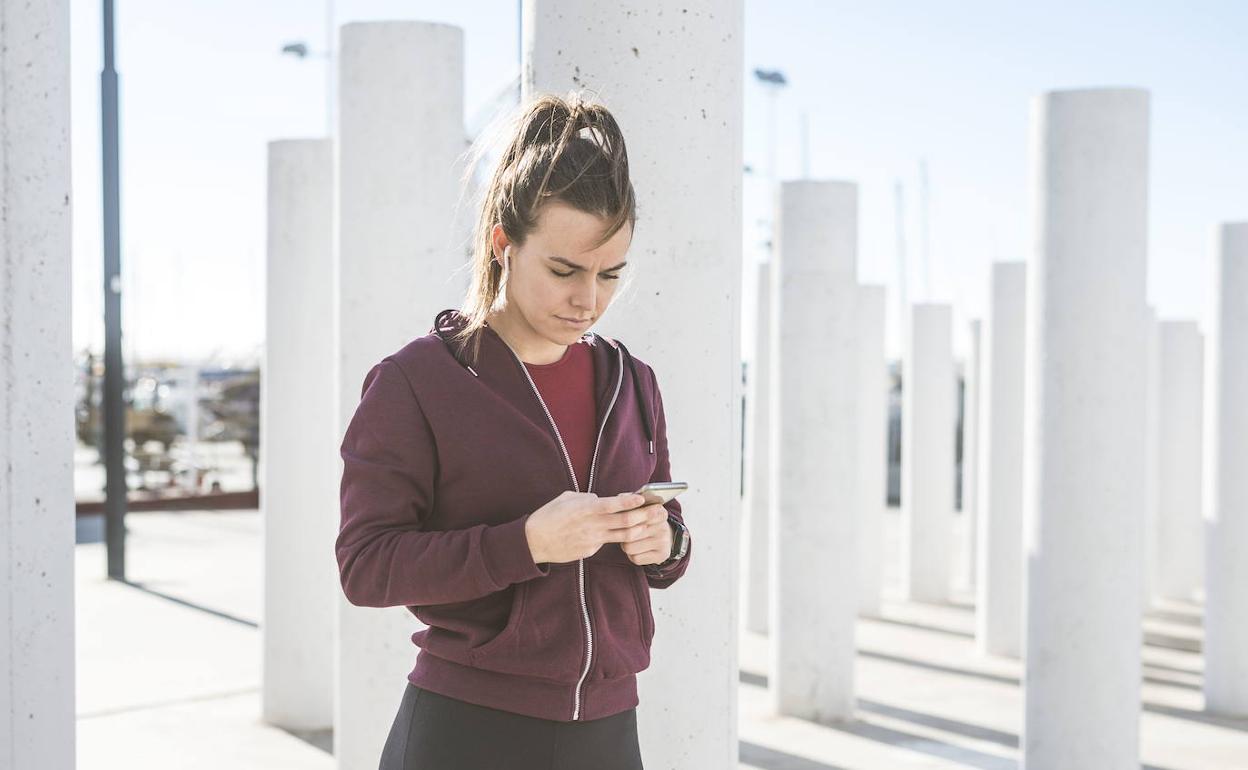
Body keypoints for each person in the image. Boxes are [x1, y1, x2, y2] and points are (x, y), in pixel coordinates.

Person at [335, 91, 693, 770]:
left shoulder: (632, 381)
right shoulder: (417, 382)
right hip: (467, 731)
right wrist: (526, 543)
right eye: (563, 270)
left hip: (610, 732)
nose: (588, 299)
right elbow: (365, 565)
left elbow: (669, 532)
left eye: (610, 274)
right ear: (503, 243)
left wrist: (665, 541)